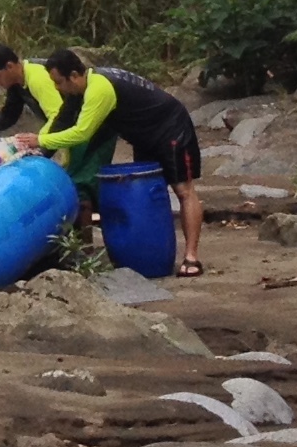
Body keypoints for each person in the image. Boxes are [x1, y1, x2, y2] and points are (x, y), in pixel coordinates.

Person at [32, 46, 208, 278]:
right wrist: (37, 152)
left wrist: (39, 138)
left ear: (74, 76)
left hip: (171, 128)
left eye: (58, 82)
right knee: (146, 193)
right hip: (143, 136)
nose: (56, 88)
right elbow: (63, 121)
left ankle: (191, 257)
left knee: (183, 190)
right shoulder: (78, 91)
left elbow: (81, 133)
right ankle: (148, 253)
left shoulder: (99, 90)